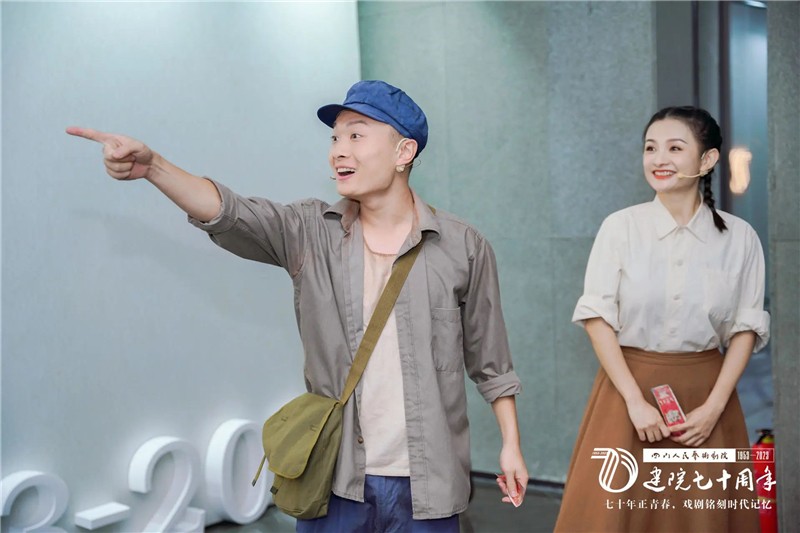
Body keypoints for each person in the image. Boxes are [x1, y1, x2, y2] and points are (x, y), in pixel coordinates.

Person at [67, 80, 528, 532]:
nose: (338, 151)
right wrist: (154, 167)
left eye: (356, 136)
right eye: (335, 138)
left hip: (429, 484)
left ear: (403, 152)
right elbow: (229, 212)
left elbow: (491, 361)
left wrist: (511, 445)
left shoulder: (463, 247)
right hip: (333, 478)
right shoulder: (310, 230)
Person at [554, 106, 769, 532]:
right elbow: (597, 318)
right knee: (612, 516)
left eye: (675, 148)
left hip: (708, 398)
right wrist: (635, 402)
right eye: (651, 148)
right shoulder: (620, 228)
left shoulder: (740, 237)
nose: (659, 159)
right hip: (626, 394)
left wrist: (714, 408)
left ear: (707, 159)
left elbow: (746, 328)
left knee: (704, 517)